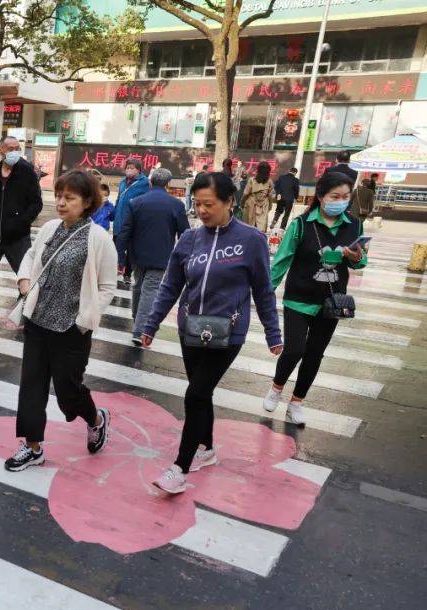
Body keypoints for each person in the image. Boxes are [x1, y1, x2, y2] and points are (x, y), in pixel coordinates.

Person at [140, 172, 282, 494]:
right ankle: (208, 448)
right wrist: (150, 324)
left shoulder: (251, 241)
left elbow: (263, 290)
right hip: (190, 330)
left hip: (227, 334)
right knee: (201, 393)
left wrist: (274, 334)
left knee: (195, 395)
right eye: (197, 204)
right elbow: (171, 286)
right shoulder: (189, 239)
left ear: (230, 202)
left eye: (210, 204)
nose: (202, 211)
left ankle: (180, 467)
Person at [4, 170, 118, 471]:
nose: (61, 203)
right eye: (59, 196)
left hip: (71, 329)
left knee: (68, 393)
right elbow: (30, 256)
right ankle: (32, 446)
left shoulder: (99, 239)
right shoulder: (51, 228)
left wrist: (85, 319)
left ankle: (96, 419)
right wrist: (24, 280)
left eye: (69, 198)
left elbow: (108, 286)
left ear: (88, 202)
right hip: (38, 322)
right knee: (31, 386)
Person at [265, 171, 366, 426]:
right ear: (321, 196)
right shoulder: (301, 224)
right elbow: (281, 262)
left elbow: (361, 260)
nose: (341, 201)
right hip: (298, 298)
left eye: (345, 196)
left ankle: (296, 402)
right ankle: (277, 387)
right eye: (335, 196)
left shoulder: (354, 225)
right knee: (295, 349)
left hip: (331, 303)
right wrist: (264, 292)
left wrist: (356, 257)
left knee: (315, 353)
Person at [114, 168, 190, 345]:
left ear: (150, 182)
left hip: (137, 255)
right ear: (168, 184)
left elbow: (125, 232)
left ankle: (137, 320)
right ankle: (140, 330)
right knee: (150, 290)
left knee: (138, 286)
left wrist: (120, 257)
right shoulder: (176, 205)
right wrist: (184, 258)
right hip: (161, 255)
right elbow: (185, 234)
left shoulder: (136, 202)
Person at [0, 136, 43, 332]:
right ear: (0, 150)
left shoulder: (27, 173)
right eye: (10, 148)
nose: (14, 151)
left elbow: (36, 203)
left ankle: (28, 311)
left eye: (17, 147)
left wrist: (21, 222)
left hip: (18, 238)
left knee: (26, 276)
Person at [113, 158, 150, 287]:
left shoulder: (144, 183)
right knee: (117, 244)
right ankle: (117, 267)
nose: (129, 170)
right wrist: (115, 211)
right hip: (119, 219)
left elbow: (145, 202)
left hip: (133, 220)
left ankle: (127, 274)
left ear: (138, 170)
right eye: (127, 168)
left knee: (130, 248)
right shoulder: (123, 182)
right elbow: (118, 199)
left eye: (132, 168)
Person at [241, 161, 274, 231]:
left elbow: (245, 193)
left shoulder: (252, 180)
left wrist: (242, 203)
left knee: (249, 226)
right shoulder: (270, 181)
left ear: (258, 170)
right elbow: (270, 196)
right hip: (263, 206)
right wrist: (270, 206)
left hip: (251, 204)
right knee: (260, 228)